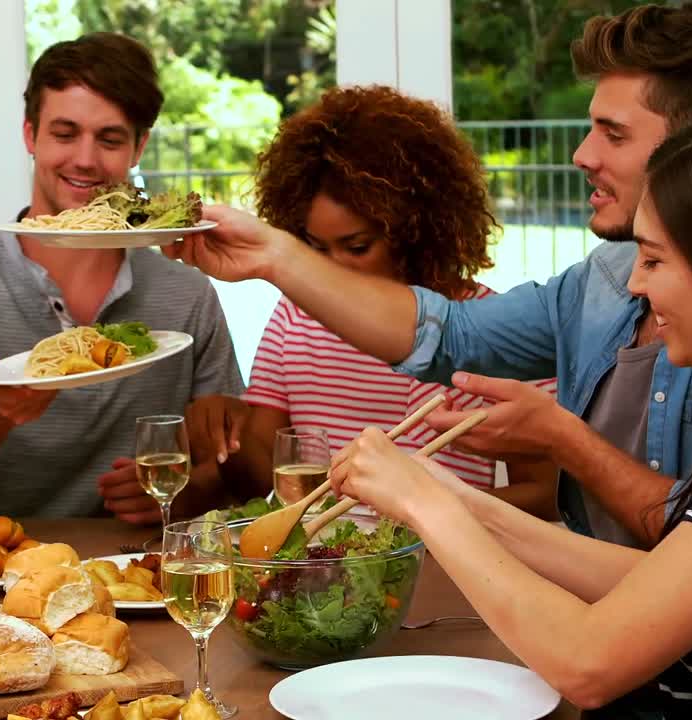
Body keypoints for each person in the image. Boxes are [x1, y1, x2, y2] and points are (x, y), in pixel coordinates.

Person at [166, 0, 692, 546]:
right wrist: (274, 256)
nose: (581, 154)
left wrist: (559, 442)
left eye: (614, 135)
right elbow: (449, 334)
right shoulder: (600, 278)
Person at [332, 102, 692, 719]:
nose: (636, 286)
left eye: (654, 260)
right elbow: (649, 585)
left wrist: (424, 505)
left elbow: (586, 663)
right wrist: (455, 499)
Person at [0, 33, 243, 522]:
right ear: (30, 135)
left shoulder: (187, 293)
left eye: (109, 139)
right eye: (65, 134)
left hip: (141, 562)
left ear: (139, 147)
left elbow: (229, 463)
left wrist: (183, 490)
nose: (85, 159)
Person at [185, 85, 558, 517]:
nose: (331, 268)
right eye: (314, 248)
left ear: (413, 231)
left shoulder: (486, 329)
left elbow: (548, 494)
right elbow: (258, 475)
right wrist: (223, 432)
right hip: (320, 555)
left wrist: (435, 514)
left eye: (357, 247)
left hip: (436, 556)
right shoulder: (294, 315)